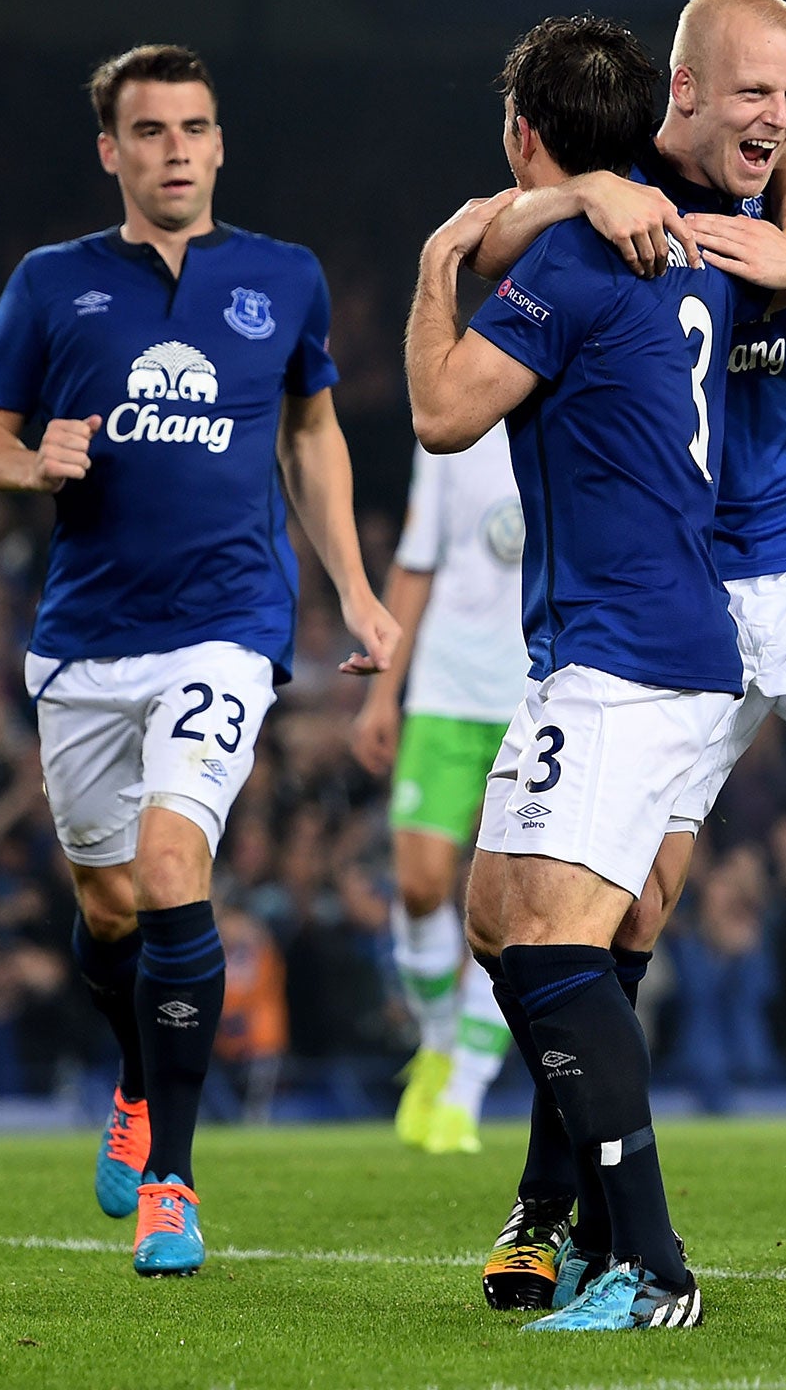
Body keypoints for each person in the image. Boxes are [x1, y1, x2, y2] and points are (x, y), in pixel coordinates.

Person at [468, 0, 786, 1306]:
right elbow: (511, 224)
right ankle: (547, 1205)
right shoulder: (620, 192)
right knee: (622, 912)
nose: (776, 120)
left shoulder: (784, 205)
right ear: (683, 94)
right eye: (754, 93)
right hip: (681, 586)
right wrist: (582, 198)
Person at [0, 43, 397, 1276]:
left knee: (168, 868)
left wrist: (355, 590)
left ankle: (172, 1181)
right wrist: (32, 457)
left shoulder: (281, 278)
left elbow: (312, 437)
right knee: (106, 908)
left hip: (228, 624)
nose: (176, 151)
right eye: (149, 132)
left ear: (218, 142)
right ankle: (138, 1079)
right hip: (87, 641)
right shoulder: (51, 285)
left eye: (194, 128)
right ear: (111, 150)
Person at [405, 12, 760, 1331]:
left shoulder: (571, 262)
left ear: (522, 135)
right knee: (507, 920)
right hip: (635, 642)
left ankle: (648, 1259)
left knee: (555, 944)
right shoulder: (663, 240)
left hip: (629, 655)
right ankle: (561, 1210)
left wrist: (443, 255)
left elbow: (443, 415)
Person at [352, 429, 530, 1156]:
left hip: (538, 693)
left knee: (513, 906)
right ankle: (435, 1044)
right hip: (446, 691)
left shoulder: (582, 406)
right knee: (422, 886)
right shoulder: (453, 430)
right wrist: (381, 696)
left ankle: (465, 1092)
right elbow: (416, 563)